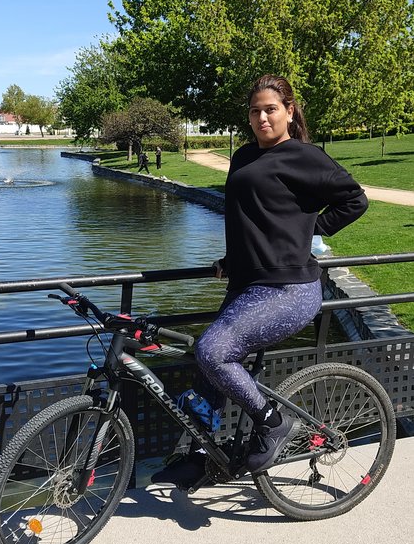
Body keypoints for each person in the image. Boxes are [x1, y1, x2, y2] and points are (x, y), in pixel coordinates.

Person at [155, 74, 368, 490]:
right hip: (246, 284)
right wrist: (231, 259)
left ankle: (272, 421)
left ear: (289, 111)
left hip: (289, 288)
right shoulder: (243, 156)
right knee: (207, 367)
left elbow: (355, 200)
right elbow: (249, 216)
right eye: (255, 111)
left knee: (212, 350)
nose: (262, 118)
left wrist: (309, 232)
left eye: (271, 109)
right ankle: (198, 457)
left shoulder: (305, 156)